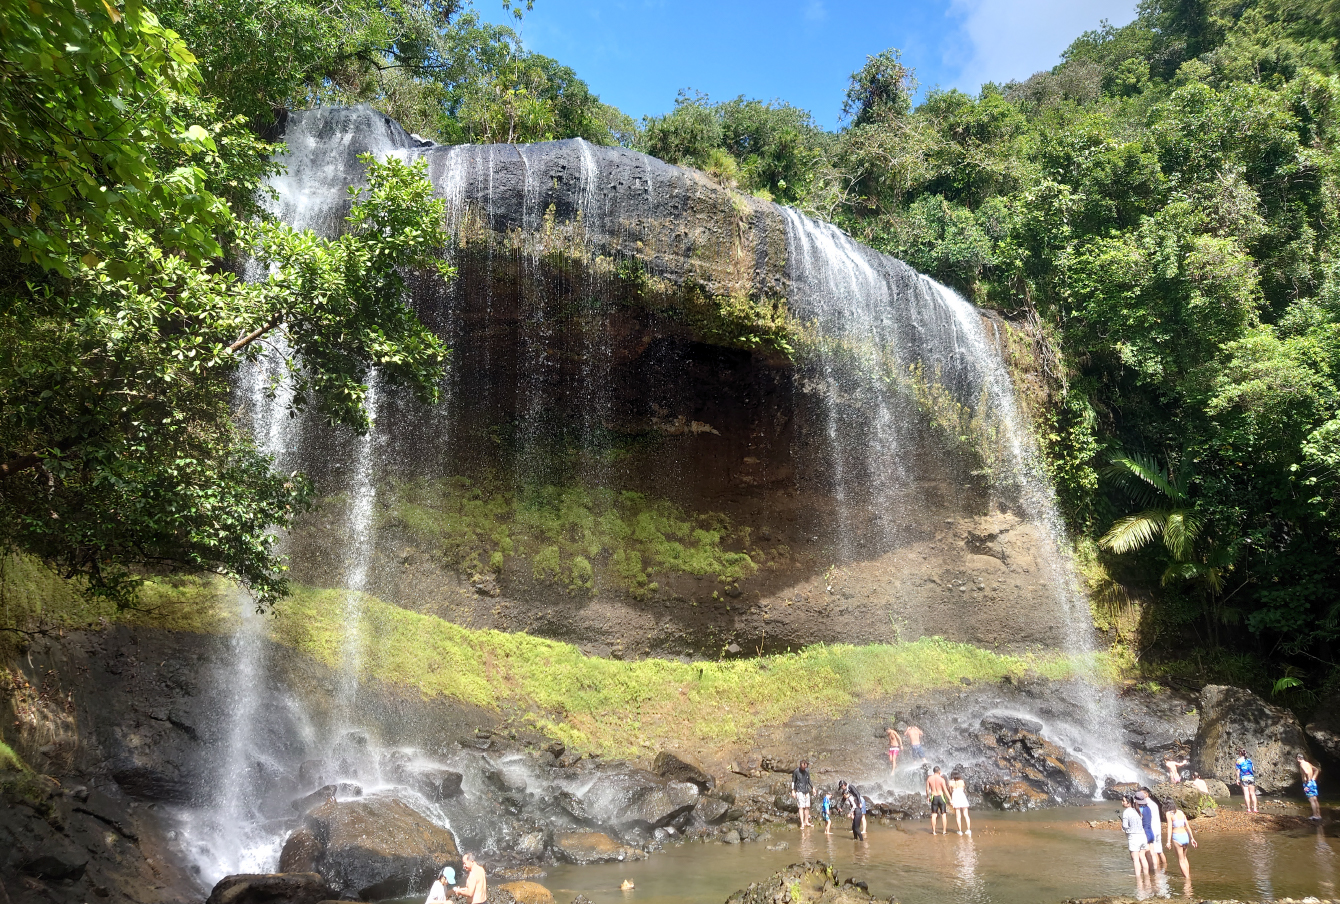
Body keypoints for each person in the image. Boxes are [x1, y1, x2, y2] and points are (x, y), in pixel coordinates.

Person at [1164, 797, 1198, 879]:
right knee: (1184, 858)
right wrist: (1192, 838)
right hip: (1185, 836)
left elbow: (1169, 828)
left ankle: (1187, 880)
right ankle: (1188, 875)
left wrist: (1168, 841)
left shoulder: (1168, 814)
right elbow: (1187, 826)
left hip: (1177, 837)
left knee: (1181, 860)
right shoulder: (1181, 812)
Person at [1136, 788, 1165, 871]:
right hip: (1157, 829)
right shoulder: (1154, 804)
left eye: (1141, 795)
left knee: (1154, 852)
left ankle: (1156, 871)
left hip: (1151, 829)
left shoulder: (1147, 804)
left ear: (1146, 795)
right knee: (1160, 851)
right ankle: (1164, 868)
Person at [1122, 795, 1149, 878]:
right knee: (1143, 858)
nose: (1122, 802)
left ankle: (1138, 880)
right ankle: (1147, 877)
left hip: (1134, 838)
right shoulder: (1137, 810)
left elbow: (1125, 826)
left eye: (1123, 801)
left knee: (1136, 859)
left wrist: (1124, 829)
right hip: (1143, 836)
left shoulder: (1126, 812)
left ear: (1128, 803)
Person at [925, 765, 950, 835]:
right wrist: (950, 799)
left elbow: (927, 789)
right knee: (944, 814)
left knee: (934, 814)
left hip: (934, 797)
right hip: (941, 797)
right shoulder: (941, 779)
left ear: (933, 771)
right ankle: (944, 831)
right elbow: (945, 790)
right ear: (939, 771)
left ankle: (934, 831)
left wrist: (927, 797)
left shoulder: (929, 778)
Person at [791, 759, 814, 828]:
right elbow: (793, 781)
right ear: (800, 765)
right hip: (799, 790)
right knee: (801, 807)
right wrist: (793, 791)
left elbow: (809, 780)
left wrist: (813, 788)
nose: (804, 768)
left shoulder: (807, 770)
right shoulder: (796, 771)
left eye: (805, 767)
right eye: (803, 767)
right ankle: (802, 823)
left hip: (806, 790)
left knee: (807, 807)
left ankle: (806, 821)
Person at [1299, 754, 1322, 820]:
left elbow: (1306, 772)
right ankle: (1318, 815)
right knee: (1315, 799)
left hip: (1308, 783)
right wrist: (1313, 778)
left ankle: (1315, 815)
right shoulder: (1308, 763)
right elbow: (1316, 770)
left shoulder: (1302, 764)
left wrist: (1307, 780)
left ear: (1298, 758)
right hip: (1313, 782)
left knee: (1311, 800)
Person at [1235, 748, 1259, 813]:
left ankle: (1248, 809)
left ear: (1240, 753)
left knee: (1246, 794)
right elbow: (1253, 769)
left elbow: (1238, 771)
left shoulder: (1238, 761)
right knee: (1253, 793)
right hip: (1251, 778)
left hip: (1244, 778)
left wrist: (1237, 779)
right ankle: (1255, 809)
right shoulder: (1249, 760)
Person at [948, 770, 971, 836]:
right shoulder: (962, 781)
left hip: (955, 796)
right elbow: (963, 789)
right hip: (962, 796)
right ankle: (968, 830)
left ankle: (960, 831)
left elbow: (950, 791)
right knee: (966, 815)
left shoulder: (950, 782)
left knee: (958, 816)